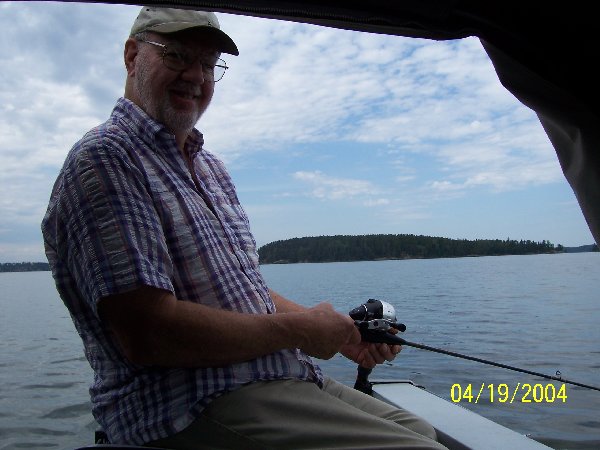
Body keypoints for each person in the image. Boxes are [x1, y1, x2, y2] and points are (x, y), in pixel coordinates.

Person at [41, 6, 447, 449]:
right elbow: (149, 333)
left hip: (276, 377)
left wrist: (340, 335)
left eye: (209, 64)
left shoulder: (210, 168)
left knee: (421, 431)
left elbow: (247, 290)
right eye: (176, 56)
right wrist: (301, 331)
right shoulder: (106, 159)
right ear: (132, 55)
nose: (195, 76)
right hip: (185, 405)